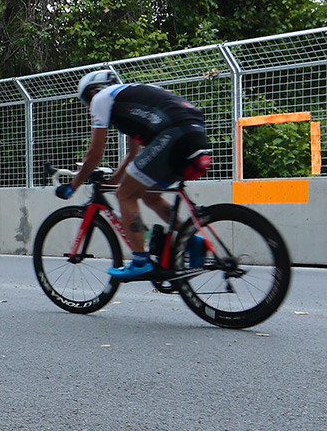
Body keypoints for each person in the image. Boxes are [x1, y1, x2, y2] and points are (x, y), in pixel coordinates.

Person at [54, 69, 212, 280]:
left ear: (92, 93)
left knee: (125, 196)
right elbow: (131, 157)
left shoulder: (102, 97)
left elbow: (94, 154)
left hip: (172, 135)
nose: (89, 109)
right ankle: (192, 240)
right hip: (193, 134)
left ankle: (140, 261)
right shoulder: (131, 101)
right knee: (148, 194)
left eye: (86, 103)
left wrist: (72, 186)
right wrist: (109, 184)